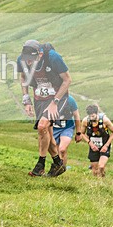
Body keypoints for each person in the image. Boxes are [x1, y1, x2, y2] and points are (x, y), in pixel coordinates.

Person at [18, 40, 72, 178]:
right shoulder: (22, 59)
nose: (29, 62)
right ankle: (57, 163)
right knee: (46, 133)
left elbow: (67, 80)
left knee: (42, 126)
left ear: (40, 54)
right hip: (40, 98)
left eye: (32, 59)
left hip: (58, 96)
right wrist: (26, 98)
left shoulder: (52, 57)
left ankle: (40, 164)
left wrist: (55, 102)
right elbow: (23, 77)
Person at [79, 104, 113, 177]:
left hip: (105, 145)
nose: (91, 118)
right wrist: (90, 144)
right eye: (90, 116)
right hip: (93, 146)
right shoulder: (85, 121)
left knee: (101, 166)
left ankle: (102, 182)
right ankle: (98, 184)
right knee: (95, 170)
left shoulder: (105, 120)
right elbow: (82, 133)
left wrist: (106, 145)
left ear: (97, 113)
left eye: (93, 116)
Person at [50, 96, 81, 169]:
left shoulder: (70, 100)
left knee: (62, 149)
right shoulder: (49, 99)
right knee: (56, 152)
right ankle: (59, 168)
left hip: (67, 127)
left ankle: (62, 169)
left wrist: (78, 132)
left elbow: (76, 115)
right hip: (54, 129)